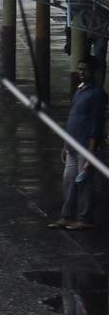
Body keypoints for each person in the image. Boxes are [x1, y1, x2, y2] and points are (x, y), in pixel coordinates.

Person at [50, 58, 105, 230]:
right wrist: (65, 144)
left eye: (85, 70)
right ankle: (67, 216)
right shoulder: (79, 90)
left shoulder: (97, 94)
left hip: (85, 146)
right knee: (68, 180)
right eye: (80, 69)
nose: (81, 72)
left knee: (84, 183)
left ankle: (84, 218)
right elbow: (73, 118)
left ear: (94, 72)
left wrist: (91, 151)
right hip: (72, 143)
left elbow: (96, 124)